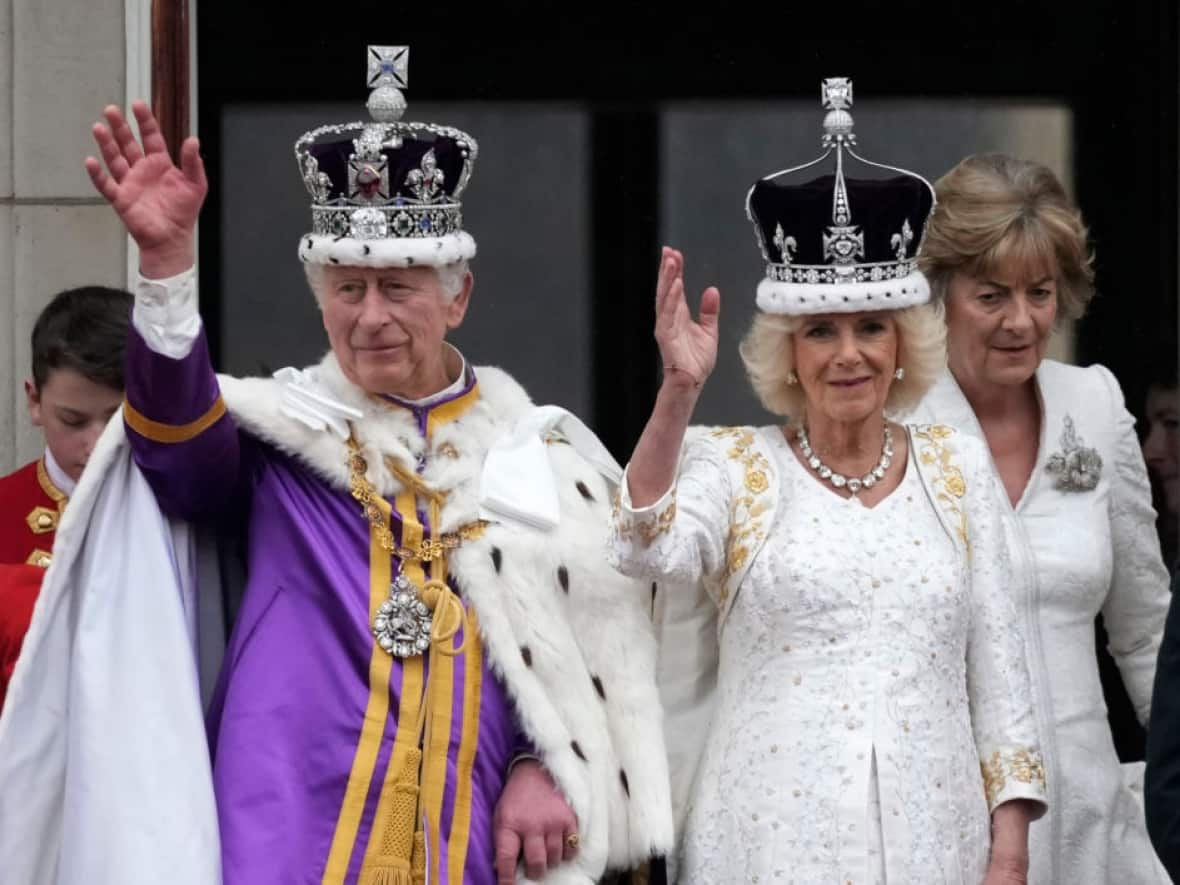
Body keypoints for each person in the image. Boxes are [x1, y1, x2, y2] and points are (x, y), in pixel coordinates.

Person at [0, 46, 672, 884]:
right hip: (285, 820)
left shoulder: (537, 453)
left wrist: (546, 760)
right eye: (348, 288)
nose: (372, 316)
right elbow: (176, 456)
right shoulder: (277, 437)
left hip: (466, 829)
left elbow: (594, 638)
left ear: (457, 296)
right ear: (319, 298)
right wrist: (168, 269)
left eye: (400, 286)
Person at [608, 79, 1046, 884]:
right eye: (821, 331)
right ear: (789, 350)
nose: (849, 354)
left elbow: (1003, 673)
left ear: (902, 340)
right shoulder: (734, 464)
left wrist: (1009, 848)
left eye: (871, 327)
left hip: (935, 837)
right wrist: (676, 393)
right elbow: (642, 544)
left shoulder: (955, 465)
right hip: (766, 837)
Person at [911, 152, 1171, 882]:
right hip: (946, 818)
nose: (1022, 321)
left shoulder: (1096, 404)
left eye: (1041, 292)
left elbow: (1147, 632)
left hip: (1093, 820)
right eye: (991, 295)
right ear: (939, 292)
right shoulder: (897, 424)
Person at [0, 284, 131, 707]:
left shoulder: (187, 511)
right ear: (34, 401)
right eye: (73, 421)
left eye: (117, 420)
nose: (96, 445)